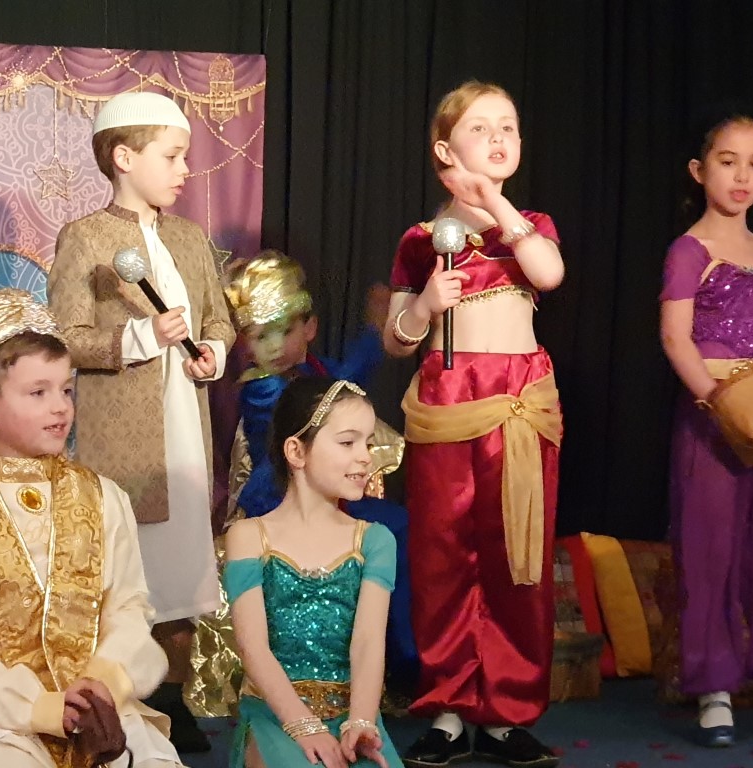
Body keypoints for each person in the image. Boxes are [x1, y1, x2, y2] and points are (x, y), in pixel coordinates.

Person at [0, 288, 187, 768]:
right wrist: (39, 708)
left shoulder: (104, 497)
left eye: (66, 390)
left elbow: (128, 606)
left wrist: (104, 684)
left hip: (101, 708)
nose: (60, 407)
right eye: (38, 393)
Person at [383, 81, 564, 768]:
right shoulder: (421, 241)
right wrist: (425, 306)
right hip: (448, 404)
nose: (497, 138)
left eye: (507, 127)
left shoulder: (530, 226)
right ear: (443, 149)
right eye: (480, 128)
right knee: (442, 558)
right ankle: (449, 709)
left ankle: (507, 713)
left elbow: (547, 274)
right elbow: (396, 340)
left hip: (519, 405)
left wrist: (494, 202)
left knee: (518, 556)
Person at [49, 90, 236, 751]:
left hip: (186, 428)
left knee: (182, 576)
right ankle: (122, 707)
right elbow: (66, 337)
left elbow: (218, 320)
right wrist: (141, 337)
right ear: (124, 158)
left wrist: (211, 354)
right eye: (172, 156)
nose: (185, 170)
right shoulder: (86, 238)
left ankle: (174, 704)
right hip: (122, 441)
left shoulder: (188, 239)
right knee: (127, 573)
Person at [658, 112, 753, 747]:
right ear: (699, 169)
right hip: (713, 421)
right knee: (709, 550)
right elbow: (674, 338)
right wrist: (720, 403)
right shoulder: (689, 251)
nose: (742, 176)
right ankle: (714, 686)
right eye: (728, 161)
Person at [224, 376, 401, 768]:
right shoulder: (249, 537)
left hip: (350, 714)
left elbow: (368, 641)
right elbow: (253, 648)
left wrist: (361, 722)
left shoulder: (374, 541)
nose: (365, 457)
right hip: (276, 713)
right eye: (348, 443)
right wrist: (303, 726)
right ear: (296, 451)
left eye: (368, 444)